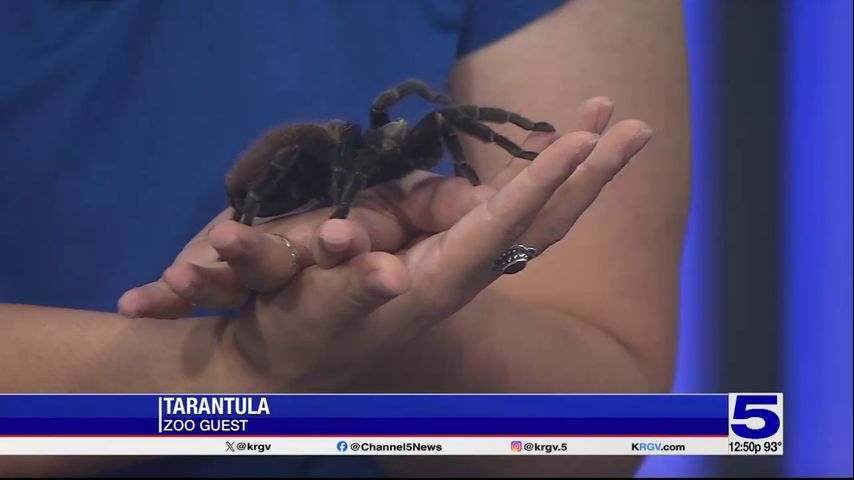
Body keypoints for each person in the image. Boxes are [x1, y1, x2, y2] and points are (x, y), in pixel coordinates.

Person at [0, 0, 690, 476]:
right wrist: (242, 371)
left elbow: (605, 424)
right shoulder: (331, 159)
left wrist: (400, 317)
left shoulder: (409, 133)